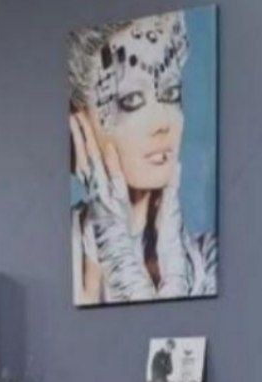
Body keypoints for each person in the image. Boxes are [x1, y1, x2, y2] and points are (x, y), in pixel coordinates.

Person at [69, 12, 217, 305]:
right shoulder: (61, 255)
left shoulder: (209, 260)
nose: (163, 123)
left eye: (171, 93)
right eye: (132, 100)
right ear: (79, 125)